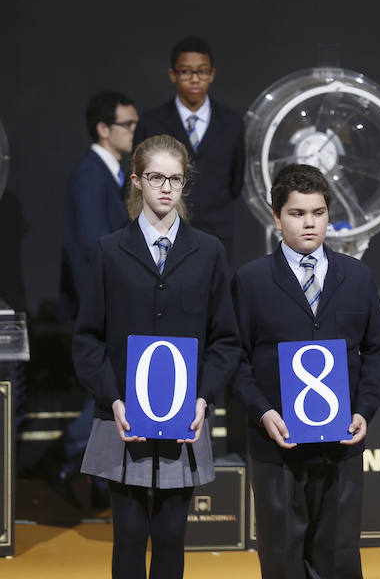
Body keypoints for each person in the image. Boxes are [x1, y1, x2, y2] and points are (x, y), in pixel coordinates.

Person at [72, 135, 241, 578]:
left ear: (185, 184)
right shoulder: (110, 251)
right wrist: (113, 399)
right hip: (122, 416)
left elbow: (225, 339)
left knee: (171, 535)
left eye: (175, 179)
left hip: (185, 419)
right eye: (155, 177)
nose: (166, 187)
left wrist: (203, 398)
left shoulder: (208, 252)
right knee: (128, 534)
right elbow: (87, 339)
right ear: (137, 181)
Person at [231, 163, 380, 579]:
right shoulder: (251, 281)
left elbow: (378, 351)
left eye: (318, 213)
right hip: (276, 445)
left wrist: (366, 409)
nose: (309, 223)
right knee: (282, 556)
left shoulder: (357, 277)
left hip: (341, 443)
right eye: (297, 213)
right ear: (276, 217)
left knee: (338, 556)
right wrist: (263, 412)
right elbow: (234, 358)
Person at [57, 91, 139, 506]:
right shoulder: (92, 174)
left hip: (108, 304)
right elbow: (92, 248)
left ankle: (91, 477)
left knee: (112, 394)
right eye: (127, 125)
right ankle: (69, 461)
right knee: (107, 393)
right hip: (99, 306)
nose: (133, 132)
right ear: (103, 129)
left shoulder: (109, 173)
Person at [134, 36, 244, 257]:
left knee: (215, 291)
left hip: (217, 231)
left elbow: (236, 182)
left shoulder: (232, 122)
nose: (195, 79)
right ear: (173, 75)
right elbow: (137, 179)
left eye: (202, 71)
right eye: (186, 72)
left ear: (211, 74)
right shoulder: (151, 122)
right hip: (162, 229)